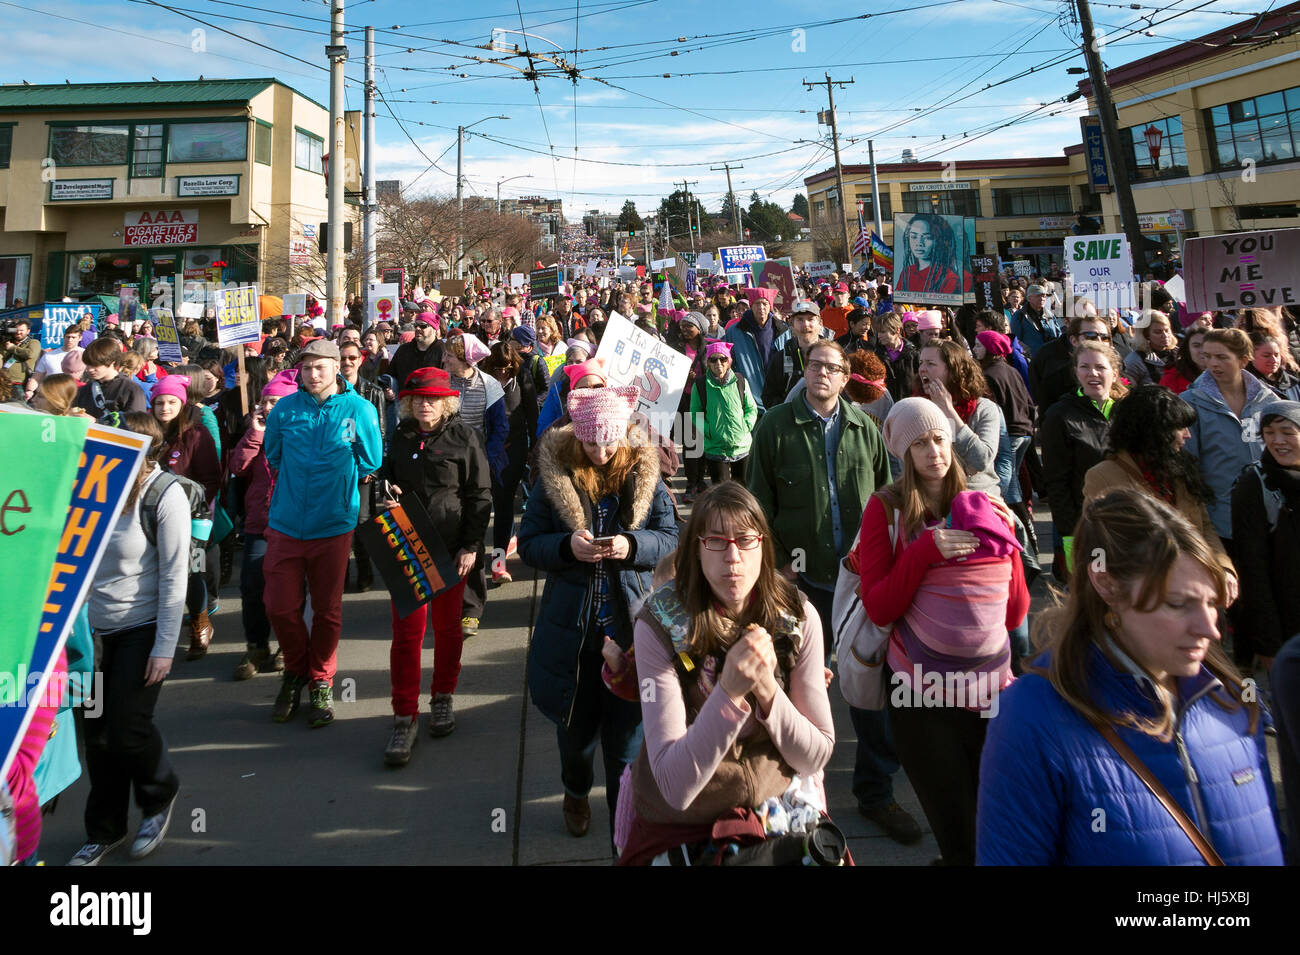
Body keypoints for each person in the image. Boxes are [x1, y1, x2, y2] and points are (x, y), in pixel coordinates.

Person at [977, 488, 1282, 865]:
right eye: (1177, 604)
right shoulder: (1031, 717)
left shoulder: (1234, 700)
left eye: (1211, 604)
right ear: (1106, 584)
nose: (1211, 629)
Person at [748, 338, 920, 845]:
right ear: (805, 370)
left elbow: (889, 498)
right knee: (794, 689)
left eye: (833, 367)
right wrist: (778, 568)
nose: (822, 373)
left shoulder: (866, 427)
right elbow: (758, 501)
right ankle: (790, 796)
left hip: (859, 584)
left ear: (847, 378)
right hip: (799, 584)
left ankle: (875, 791)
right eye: (815, 365)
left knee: (869, 689)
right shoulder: (775, 426)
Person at [616, 482, 836, 865]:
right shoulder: (658, 625)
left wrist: (768, 689)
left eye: (745, 540)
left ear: (763, 546)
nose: (732, 557)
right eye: (716, 541)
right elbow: (674, 785)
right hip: (685, 821)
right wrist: (729, 694)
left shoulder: (797, 617)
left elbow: (815, 754)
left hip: (775, 810)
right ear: (696, 550)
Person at [860, 398, 1028, 865]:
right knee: (956, 827)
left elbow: (1014, 614)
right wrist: (924, 552)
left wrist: (1006, 545)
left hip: (990, 687)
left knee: (997, 819)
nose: (933, 451)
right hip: (922, 696)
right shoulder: (885, 509)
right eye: (919, 444)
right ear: (902, 454)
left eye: (938, 439)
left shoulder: (983, 506)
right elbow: (878, 605)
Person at [519, 384, 679, 842]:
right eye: (591, 443)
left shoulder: (645, 474)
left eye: (610, 441)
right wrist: (567, 547)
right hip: (574, 633)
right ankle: (575, 789)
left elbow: (670, 536)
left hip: (632, 630)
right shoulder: (555, 477)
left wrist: (633, 545)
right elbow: (529, 544)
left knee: (627, 743)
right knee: (575, 735)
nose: (602, 451)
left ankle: (623, 822)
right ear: (577, 438)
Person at [68, 412, 184, 866]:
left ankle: (160, 795)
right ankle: (105, 830)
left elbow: (175, 578)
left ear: (143, 451)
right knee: (96, 736)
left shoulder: (164, 494)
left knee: (128, 728)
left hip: (143, 629)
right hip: (94, 632)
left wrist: (164, 647)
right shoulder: (94, 487)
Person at [263, 339, 383, 727]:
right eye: (307, 367)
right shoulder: (285, 408)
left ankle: (321, 680)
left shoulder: (358, 409)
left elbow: (371, 459)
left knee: (327, 610)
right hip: (285, 522)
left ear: (337, 368)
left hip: (333, 524)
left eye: (320, 367)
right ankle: (295, 669)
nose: (313, 375)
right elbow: (274, 455)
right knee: (279, 606)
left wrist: (339, 481)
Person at [376, 367, 492, 762]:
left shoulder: (466, 438)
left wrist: (472, 546)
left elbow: (480, 496)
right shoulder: (402, 437)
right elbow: (386, 480)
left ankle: (443, 696)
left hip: (451, 550)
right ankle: (403, 716)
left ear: (446, 401)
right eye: (418, 398)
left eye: (432, 398)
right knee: (407, 635)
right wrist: (387, 495)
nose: (425, 404)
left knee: (447, 630)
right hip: (409, 546)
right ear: (408, 402)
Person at [1083, 384, 1236, 586]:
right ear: (1154, 431)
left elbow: (1204, 527)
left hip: (1194, 585)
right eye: (1180, 427)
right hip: (1142, 595)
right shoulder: (1103, 477)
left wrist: (1224, 569)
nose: (1188, 435)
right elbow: (1095, 545)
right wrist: (1103, 584)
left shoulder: (1181, 469)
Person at [228, 370, 297, 680]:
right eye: (266, 401)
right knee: (252, 587)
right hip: (258, 521)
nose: (269, 407)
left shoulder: (300, 428)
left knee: (290, 589)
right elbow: (238, 467)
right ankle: (257, 646)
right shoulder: (253, 431)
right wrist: (255, 433)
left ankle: (287, 645)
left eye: (276, 401)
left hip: (294, 523)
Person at [1182, 328, 1272, 558]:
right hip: (1220, 517)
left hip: (1269, 513)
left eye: (1222, 357)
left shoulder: (1268, 400)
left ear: (1243, 360)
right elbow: (1186, 464)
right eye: (1207, 356)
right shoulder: (1191, 403)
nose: (1213, 363)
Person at [149, 373, 222, 660]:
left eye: (170, 402)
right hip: (152, 516)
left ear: (181, 403)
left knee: (194, 570)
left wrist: (192, 503)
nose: (165, 408)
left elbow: (211, 479)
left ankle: (199, 621)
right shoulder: (147, 432)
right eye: (159, 403)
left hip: (192, 516)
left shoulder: (196, 433)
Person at [1039, 341, 1127, 573]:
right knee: (1098, 594)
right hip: (1088, 528)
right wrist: (1070, 536)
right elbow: (1057, 483)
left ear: (1115, 373)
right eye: (1085, 367)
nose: (1093, 373)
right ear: (1076, 372)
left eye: (1100, 367)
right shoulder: (1060, 416)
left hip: (1130, 525)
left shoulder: (1129, 411)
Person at [442, 332, 508, 636]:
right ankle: (446, 600)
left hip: (477, 466)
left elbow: (499, 429)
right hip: (445, 466)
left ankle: (471, 608)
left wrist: (484, 460)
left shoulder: (490, 385)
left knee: (473, 535)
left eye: (450, 356)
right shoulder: (442, 383)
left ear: (466, 358)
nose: (445, 360)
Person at [1230, 399, 1300, 669]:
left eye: (1287, 432)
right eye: (1269, 433)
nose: (1277, 441)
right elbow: (1252, 568)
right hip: (1284, 624)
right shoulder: (1256, 484)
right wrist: (1268, 642)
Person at [480, 340, 536, 583]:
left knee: (503, 505)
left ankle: (498, 563)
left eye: (507, 368)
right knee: (485, 503)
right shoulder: (482, 378)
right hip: (486, 448)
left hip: (514, 447)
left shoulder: (522, 376)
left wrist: (534, 445)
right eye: (498, 368)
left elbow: (532, 411)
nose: (503, 372)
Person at [916, 339, 1002, 495]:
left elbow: (981, 459)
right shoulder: (918, 407)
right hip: (933, 498)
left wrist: (948, 410)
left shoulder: (984, 409)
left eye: (930, 364)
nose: (922, 369)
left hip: (977, 497)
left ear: (953, 370)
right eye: (921, 363)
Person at [692, 341, 758, 487]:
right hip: (715, 447)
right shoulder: (700, 385)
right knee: (722, 492)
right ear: (708, 363)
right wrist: (709, 431)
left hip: (742, 446)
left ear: (729, 361)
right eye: (713, 359)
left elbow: (751, 409)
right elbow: (695, 413)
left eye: (723, 359)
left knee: (743, 491)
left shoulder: (740, 381)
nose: (719, 363)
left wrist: (745, 426)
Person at [1027, 310, 1115, 416]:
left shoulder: (1123, 399)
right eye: (1090, 336)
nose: (1099, 341)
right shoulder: (1056, 380)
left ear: (1115, 374)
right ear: (1074, 341)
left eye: (1104, 337)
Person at [725, 287, 789, 410]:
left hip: (778, 396)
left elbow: (788, 361)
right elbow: (728, 363)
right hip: (749, 396)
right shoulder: (734, 332)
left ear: (770, 305)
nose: (761, 307)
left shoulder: (783, 330)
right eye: (757, 303)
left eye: (764, 303)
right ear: (751, 306)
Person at [762, 300, 825, 409]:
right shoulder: (781, 358)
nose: (805, 325)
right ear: (791, 323)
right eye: (800, 320)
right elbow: (768, 396)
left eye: (810, 319)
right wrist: (790, 410)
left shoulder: (833, 356)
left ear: (820, 324)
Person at [73, 338, 147, 416]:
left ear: (112, 362)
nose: (90, 369)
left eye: (95, 365)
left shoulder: (130, 390)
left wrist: (97, 422)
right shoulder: (84, 390)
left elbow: (138, 423)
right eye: (88, 364)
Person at [896, 214, 960, 297]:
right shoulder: (907, 273)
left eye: (927, 237)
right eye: (914, 236)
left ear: (938, 241)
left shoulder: (949, 278)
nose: (919, 243)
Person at [386, 311, 444, 394]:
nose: (417, 328)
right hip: (405, 401)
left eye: (423, 326)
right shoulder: (404, 349)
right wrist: (388, 389)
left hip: (431, 401)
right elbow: (390, 374)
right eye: (416, 325)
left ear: (434, 329)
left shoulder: (443, 350)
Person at [1124, 309, 1177, 388]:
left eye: (1167, 330)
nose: (1165, 335)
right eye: (1158, 332)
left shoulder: (1179, 353)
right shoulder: (1134, 361)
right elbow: (1126, 390)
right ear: (1146, 335)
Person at [872, 312, 919, 402]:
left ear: (897, 330)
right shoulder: (875, 354)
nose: (879, 336)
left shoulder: (913, 354)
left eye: (883, 332)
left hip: (909, 406)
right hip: (884, 407)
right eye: (878, 332)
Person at [1248, 331, 1300, 401]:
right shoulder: (1246, 385)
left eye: (1276, 355)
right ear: (1251, 356)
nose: (1274, 360)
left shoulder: (1293, 383)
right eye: (1266, 356)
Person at [1160, 324, 1209, 395]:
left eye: (1207, 345)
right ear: (1188, 349)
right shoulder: (1171, 379)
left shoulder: (1227, 374)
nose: (1202, 350)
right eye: (1196, 346)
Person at [3, 316, 40, 399]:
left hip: (18, 383)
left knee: (17, 407)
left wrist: (13, 348)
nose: (18, 332)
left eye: (21, 330)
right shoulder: (8, 342)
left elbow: (30, 354)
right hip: (4, 382)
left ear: (28, 331)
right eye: (16, 330)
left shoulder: (33, 342)